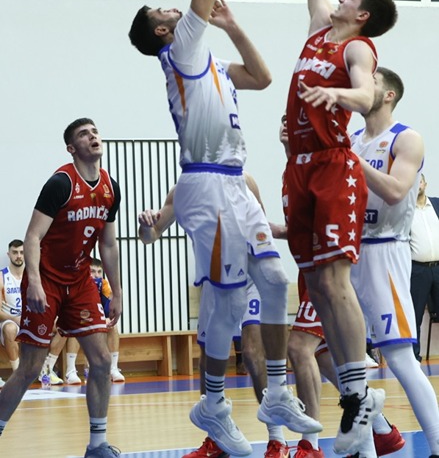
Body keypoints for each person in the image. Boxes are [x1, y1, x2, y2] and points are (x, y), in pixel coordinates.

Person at [129, 0, 321, 456]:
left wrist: (234, 26)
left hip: (234, 182)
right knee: (228, 306)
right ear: (163, 31)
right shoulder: (182, 51)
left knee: (276, 280)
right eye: (164, 11)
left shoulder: (209, 59)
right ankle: (213, 403)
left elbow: (262, 77)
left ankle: (276, 393)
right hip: (207, 185)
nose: (173, 8)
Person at [285, 0, 398, 456]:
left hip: (333, 165)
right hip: (299, 166)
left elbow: (366, 94)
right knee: (316, 284)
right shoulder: (316, 28)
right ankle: (360, 397)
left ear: (363, 15)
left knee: (334, 279)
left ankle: (356, 396)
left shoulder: (357, 47)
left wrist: (338, 98)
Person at [272, 113, 404, 458]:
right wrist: (274, 230)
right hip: (309, 274)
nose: (288, 126)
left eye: (294, 121)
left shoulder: (331, 166)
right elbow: (305, 225)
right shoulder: (293, 172)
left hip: (331, 273)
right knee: (323, 355)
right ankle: (380, 429)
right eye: (284, 121)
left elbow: (338, 223)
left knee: (299, 348)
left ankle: (310, 444)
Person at [138, 176, 290, 458]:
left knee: (252, 354)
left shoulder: (244, 180)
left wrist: (285, 233)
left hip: (250, 276)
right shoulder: (181, 191)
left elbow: (261, 227)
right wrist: (146, 225)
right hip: (215, 280)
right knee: (208, 360)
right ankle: (216, 438)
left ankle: (277, 439)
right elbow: (151, 236)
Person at [0, 118, 123, 458]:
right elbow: (32, 236)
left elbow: (108, 244)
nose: (93, 136)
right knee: (29, 368)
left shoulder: (111, 188)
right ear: (72, 148)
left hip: (80, 281)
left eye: (95, 131)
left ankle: (97, 445)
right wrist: (35, 282)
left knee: (101, 361)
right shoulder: (61, 183)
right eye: (84, 134)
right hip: (47, 281)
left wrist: (117, 291)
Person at [350, 66, 439, 458]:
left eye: (370, 82)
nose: (359, 86)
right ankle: (370, 443)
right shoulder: (351, 140)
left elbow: (395, 190)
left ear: (388, 95)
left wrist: (350, 161)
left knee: (401, 358)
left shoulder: (406, 138)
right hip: (349, 253)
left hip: (386, 251)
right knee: (338, 357)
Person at [43, 258, 125, 385]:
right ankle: (63, 370)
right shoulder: (76, 283)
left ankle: (113, 368)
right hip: (57, 319)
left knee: (112, 326)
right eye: (93, 271)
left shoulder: (102, 285)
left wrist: (111, 305)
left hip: (85, 321)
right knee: (75, 325)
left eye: (99, 272)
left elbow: (106, 311)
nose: (96, 275)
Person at [409, 173, 439, 361]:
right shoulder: (405, 211)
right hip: (417, 270)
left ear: (425, 184)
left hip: (438, 268)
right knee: (415, 315)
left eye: (419, 181)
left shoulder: (436, 205)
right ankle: (414, 358)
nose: (417, 185)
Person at [0, 240, 25, 385]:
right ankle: (17, 374)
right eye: (15, 252)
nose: (18, 256)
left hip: (29, 319)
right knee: (10, 328)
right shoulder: (2, 276)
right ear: (8, 254)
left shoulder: (33, 276)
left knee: (63, 324)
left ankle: (49, 368)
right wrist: (15, 319)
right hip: (10, 319)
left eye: (21, 252)